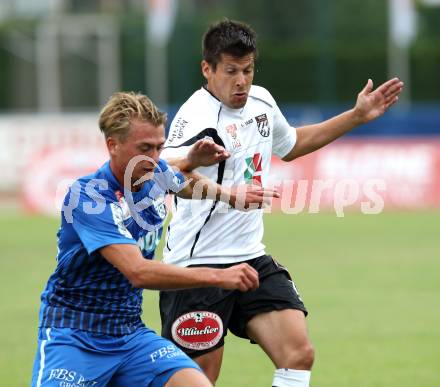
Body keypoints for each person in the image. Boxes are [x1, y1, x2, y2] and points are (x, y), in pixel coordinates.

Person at [159, 20, 404, 387]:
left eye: (248, 70)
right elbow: (167, 178)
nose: (241, 81)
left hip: (249, 257)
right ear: (207, 69)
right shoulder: (197, 116)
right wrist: (228, 196)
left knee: (298, 354)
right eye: (230, 71)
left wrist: (355, 117)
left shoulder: (261, 101)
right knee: (199, 380)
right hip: (197, 267)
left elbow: (291, 145)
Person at [30, 91, 280, 387]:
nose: (154, 158)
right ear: (113, 145)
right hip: (75, 334)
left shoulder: (154, 171)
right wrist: (219, 276)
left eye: (159, 147)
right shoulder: (89, 197)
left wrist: (225, 192)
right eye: (144, 148)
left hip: (129, 334)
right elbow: (138, 272)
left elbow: (180, 178)